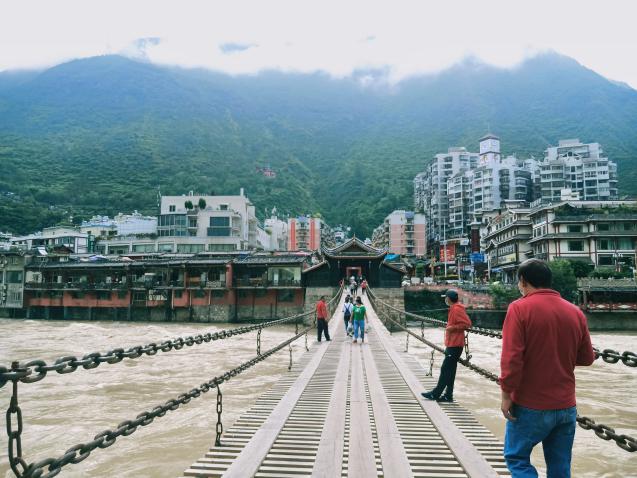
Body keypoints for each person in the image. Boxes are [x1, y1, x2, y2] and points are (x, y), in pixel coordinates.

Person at [500, 259, 594, 478]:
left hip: (530, 404)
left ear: (523, 281)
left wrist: (506, 396)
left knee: (517, 458)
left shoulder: (519, 308)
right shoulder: (575, 312)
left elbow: (511, 360)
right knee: (560, 466)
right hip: (566, 406)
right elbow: (587, 358)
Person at [421, 289, 471, 403]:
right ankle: (448, 395)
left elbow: (467, 323)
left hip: (455, 345)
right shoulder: (454, 308)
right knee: (450, 370)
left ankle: (435, 394)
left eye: (445, 298)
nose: (445, 300)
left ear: (448, 298)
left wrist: (452, 328)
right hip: (453, 343)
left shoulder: (457, 309)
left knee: (445, 369)